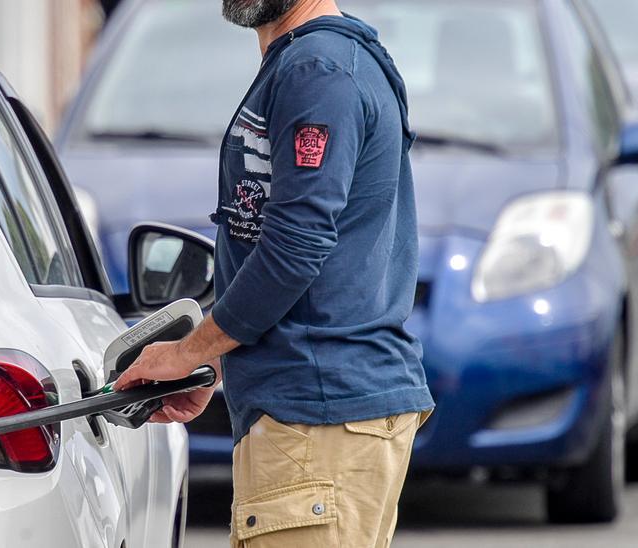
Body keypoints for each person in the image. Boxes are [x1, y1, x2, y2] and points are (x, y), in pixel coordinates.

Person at [114, 0, 433, 545]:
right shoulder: (315, 62)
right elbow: (317, 264)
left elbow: (294, 249)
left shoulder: (319, 71)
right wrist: (217, 364)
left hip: (317, 416)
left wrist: (191, 351)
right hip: (318, 414)